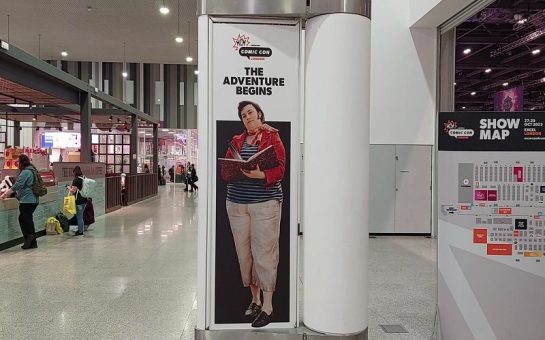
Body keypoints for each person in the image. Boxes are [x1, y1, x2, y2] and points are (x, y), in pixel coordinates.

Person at [220, 100, 285, 328]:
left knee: (264, 253)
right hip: (237, 204)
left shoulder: (271, 136)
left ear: (259, 114)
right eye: (243, 115)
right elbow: (224, 171)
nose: (247, 117)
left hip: (265, 203)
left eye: (250, 112)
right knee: (245, 254)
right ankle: (255, 300)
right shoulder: (237, 141)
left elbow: (280, 169)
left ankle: (268, 305)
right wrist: (232, 169)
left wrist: (261, 175)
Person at [0, 155, 39, 249]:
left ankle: (29, 239)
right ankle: (32, 241)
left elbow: (18, 185)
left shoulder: (26, 172)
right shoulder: (32, 170)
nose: (17, 164)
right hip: (33, 199)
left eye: (18, 162)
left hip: (27, 200)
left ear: (22, 162)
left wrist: (6, 193)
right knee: (25, 219)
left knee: (25, 220)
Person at [69, 166, 87, 236]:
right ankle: (80, 229)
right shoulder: (84, 178)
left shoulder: (76, 180)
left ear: (75, 172)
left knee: (79, 216)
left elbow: (73, 191)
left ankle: (80, 231)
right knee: (81, 216)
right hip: (85, 200)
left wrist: (68, 187)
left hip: (78, 201)